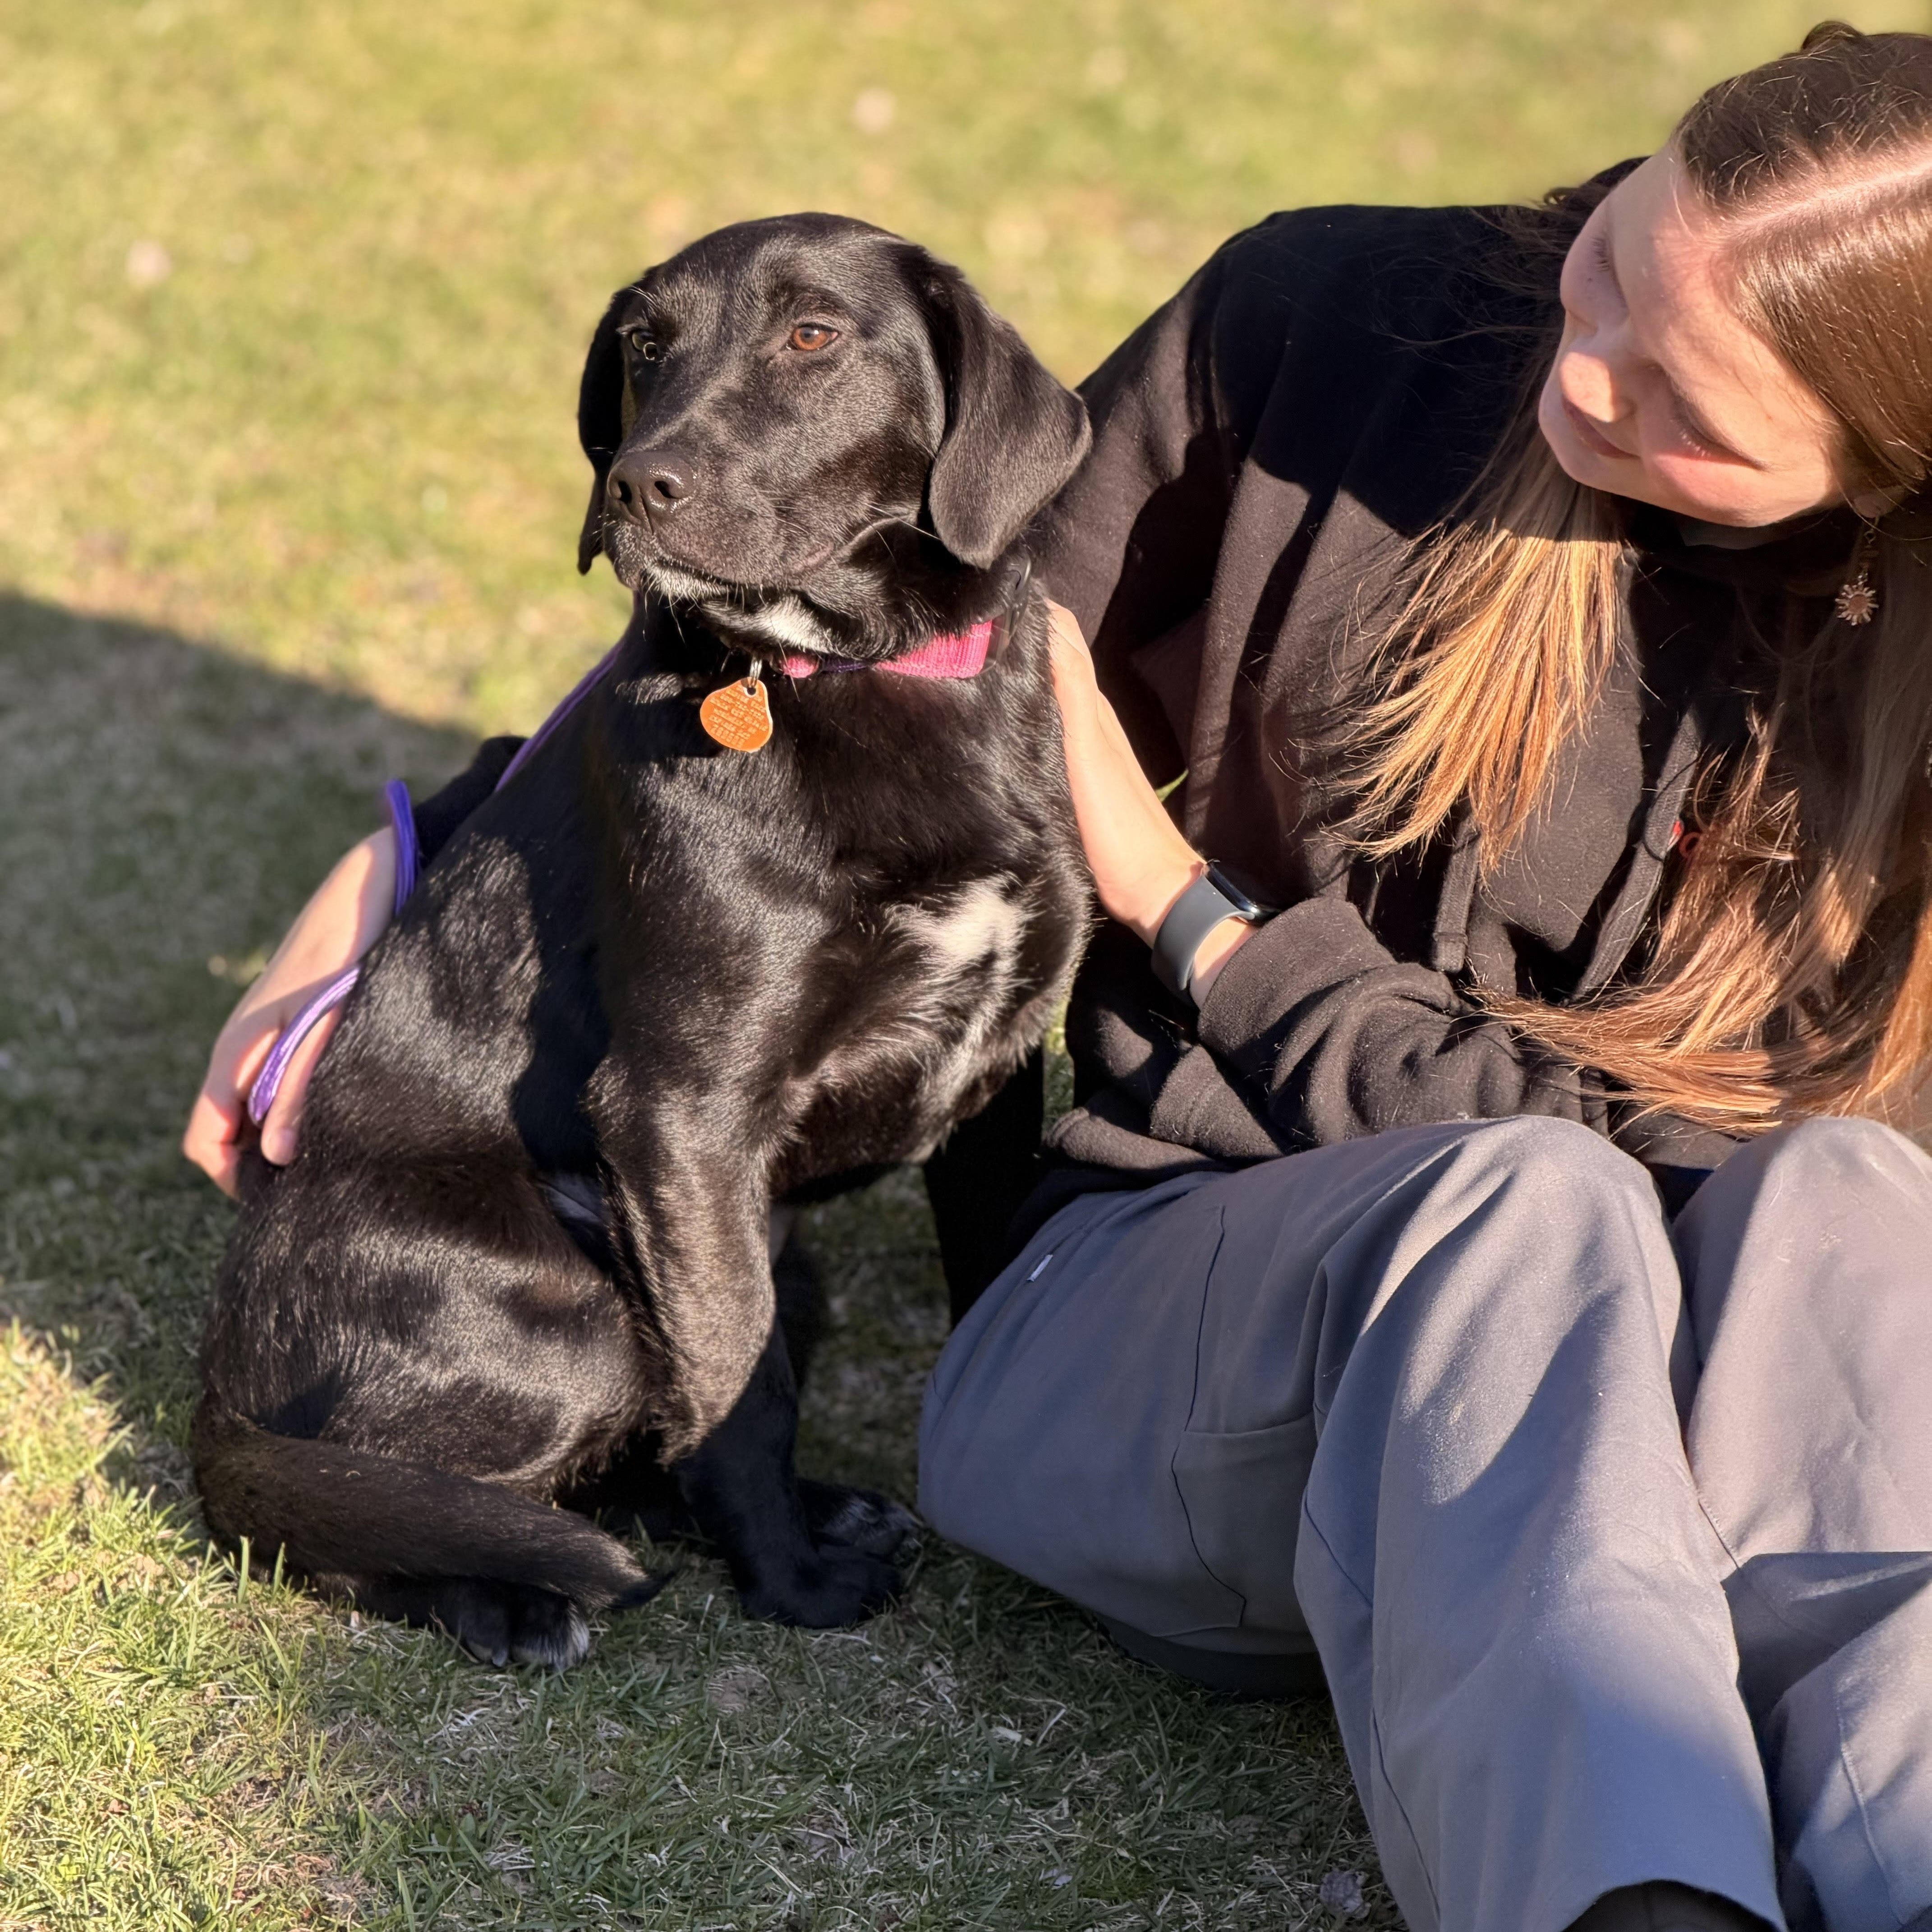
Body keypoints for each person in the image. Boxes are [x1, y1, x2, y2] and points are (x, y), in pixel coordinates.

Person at [185, 26, 1932, 1931]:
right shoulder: (1346, 323)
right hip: (1182, 1295)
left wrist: (1188, 911)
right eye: (1612, 257)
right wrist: (406, 849)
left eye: (1687, 398)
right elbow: (860, 619)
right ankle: (1633, 1901)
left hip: (1664, 1376)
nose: (1581, 368)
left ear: (1879, 480)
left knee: (1848, 1192)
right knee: (1521, 1213)